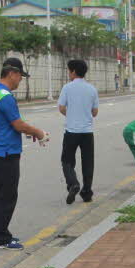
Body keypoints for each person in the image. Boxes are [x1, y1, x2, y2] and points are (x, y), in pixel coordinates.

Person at [0, 58, 48, 251]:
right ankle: (1, 238)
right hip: (4, 153)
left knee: (2, 195)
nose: (20, 80)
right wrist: (39, 132)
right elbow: (18, 124)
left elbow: (7, 125)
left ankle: (1, 233)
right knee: (7, 196)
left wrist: (25, 133)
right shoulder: (5, 96)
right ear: (12, 73)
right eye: (20, 76)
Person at [57, 58, 99, 204]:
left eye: (69, 71)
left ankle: (73, 183)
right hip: (87, 132)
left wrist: (71, 115)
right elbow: (95, 112)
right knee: (88, 162)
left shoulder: (67, 88)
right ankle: (87, 193)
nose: (69, 73)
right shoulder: (92, 89)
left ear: (73, 71)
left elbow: (61, 107)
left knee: (67, 160)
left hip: (71, 131)